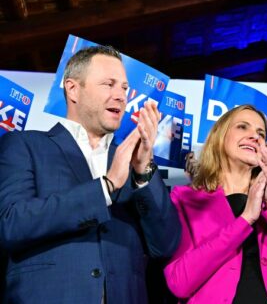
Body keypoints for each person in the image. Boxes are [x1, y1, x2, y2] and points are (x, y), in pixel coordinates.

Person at [0, 45, 180, 304]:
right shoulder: (24, 145)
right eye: (108, 84)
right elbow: (11, 224)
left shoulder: (134, 160)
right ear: (73, 89)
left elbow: (165, 245)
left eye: (124, 88)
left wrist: (143, 171)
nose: (121, 96)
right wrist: (105, 188)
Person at [164, 104, 267, 303]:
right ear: (220, 136)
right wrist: (245, 219)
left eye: (261, 133)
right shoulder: (186, 199)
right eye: (243, 127)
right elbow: (179, 282)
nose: (254, 136)